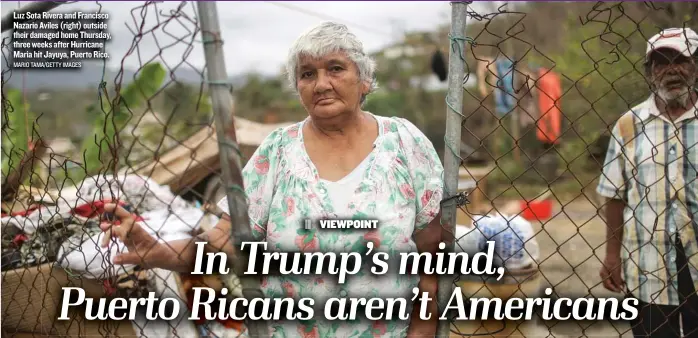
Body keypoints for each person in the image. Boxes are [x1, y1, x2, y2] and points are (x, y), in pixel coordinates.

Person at [99, 21, 444, 338]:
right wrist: (158, 251)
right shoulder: (277, 152)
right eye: (307, 74)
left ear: (364, 79)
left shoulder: (403, 141)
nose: (321, 84)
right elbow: (222, 242)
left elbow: (431, 251)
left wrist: (423, 328)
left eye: (335, 69)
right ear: (298, 87)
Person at [597, 27, 698, 338]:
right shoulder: (629, 124)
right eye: (660, 63)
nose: (670, 71)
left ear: (696, 65)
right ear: (650, 72)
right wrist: (612, 255)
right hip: (648, 262)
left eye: (679, 60)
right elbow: (614, 194)